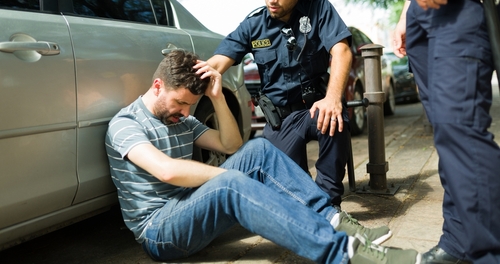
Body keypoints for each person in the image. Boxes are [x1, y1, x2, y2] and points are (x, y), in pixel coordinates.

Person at [105, 49, 420, 263]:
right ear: (157, 86)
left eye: (190, 105)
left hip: (187, 209)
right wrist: (228, 177)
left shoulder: (182, 119)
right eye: (180, 103)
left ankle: (334, 220)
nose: (185, 112)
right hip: (159, 231)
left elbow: (231, 144)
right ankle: (347, 255)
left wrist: (216, 98)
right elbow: (167, 171)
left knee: (257, 150)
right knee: (230, 183)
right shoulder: (125, 124)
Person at [208, 0, 352, 209]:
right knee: (290, 192)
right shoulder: (253, 25)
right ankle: (311, 205)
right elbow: (217, 64)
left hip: (316, 107)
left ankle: (330, 203)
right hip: (281, 119)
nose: (271, 0)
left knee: (334, 119)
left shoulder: (318, 8)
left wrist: (332, 98)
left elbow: (341, 51)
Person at [391, 0, 500, 263]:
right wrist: (407, 9)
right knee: (446, 132)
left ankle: (488, 253)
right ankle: (458, 240)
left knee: (459, 126)